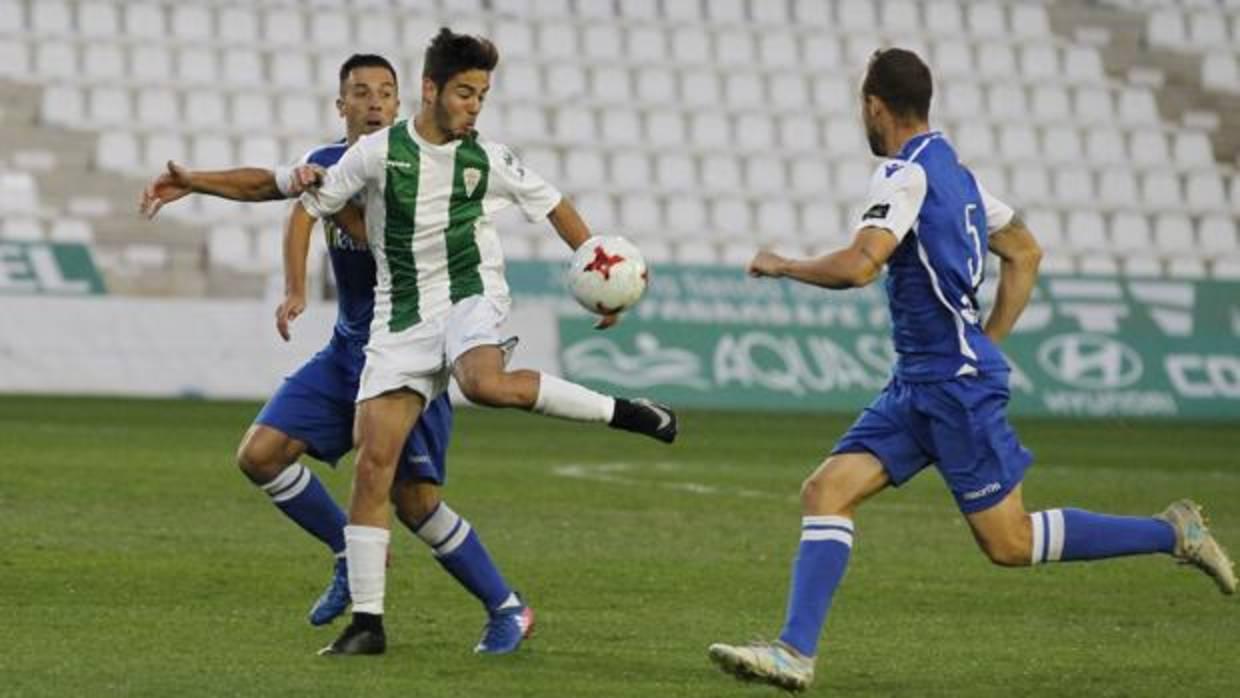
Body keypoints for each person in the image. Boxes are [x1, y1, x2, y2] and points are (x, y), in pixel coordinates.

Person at [706, 48, 1237, 692]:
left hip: (949, 385)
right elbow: (1026, 250)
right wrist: (987, 342)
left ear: (875, 105)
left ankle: (1169, 531)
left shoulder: (903, 175)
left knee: (1008, 543)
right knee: (826, 491)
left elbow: (861, 265)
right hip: (921, 382)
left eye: (862, 107)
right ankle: (794, 652)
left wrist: (783, 264)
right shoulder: (958, 175)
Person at [140, 54, 536, 655]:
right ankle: (347, 555)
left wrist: (327, 206)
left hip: (412, 351)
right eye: (361, 92)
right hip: (349, 348)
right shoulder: (329, 163)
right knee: (261, 455)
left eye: (385, 92)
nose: (375, 102)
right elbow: (267, 185)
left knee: (415, 503)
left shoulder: (424, 171)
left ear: (404, 103)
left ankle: (507, 607)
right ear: (341, 106)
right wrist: (195, 180)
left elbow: (365, 230)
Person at [300, 28, 679, 656]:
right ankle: (368, 624)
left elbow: (555, 205)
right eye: (466, 93)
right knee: (374, 469)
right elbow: (309, 196)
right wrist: (242, 183)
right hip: (400, 322)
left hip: (471, 298)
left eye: (482, 95)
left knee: (484, 382)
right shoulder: (376, 155)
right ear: (431, 89)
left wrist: (602, 266)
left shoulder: (488, 159)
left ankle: (626, 411)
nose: (475, 106)